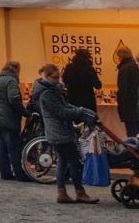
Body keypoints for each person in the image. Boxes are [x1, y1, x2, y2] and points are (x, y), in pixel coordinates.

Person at [38, 63, 98, 204]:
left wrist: (81, 109)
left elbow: (66, 106)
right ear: (46, 77)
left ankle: (62, 192)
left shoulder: (53, 91)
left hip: (58, 133)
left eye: (59, 77)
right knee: (73, 161)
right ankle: (79, 192)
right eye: (55, 77)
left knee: (63, 162)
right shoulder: (47, 94)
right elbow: (62, 112)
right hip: (60, 133)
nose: (58, 80)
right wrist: (81, 111)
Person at [0, 60, 31, 180]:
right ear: (15, 70)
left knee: (2, 148)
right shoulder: (11, 81)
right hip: (8, 120)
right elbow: (14, 100)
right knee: (13, 147)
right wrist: (25, 113)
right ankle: (19, 173)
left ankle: (5, 173)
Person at [62, 48, 102, 113]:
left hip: (72, 100)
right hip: (87, 102)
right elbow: (98, 85)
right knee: (88, 121)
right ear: (88, 58)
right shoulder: (89, 69)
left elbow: (64, 81)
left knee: (74, 121)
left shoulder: (69, 68)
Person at [116, 48, 139, 137]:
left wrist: (119, 101)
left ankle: (132, 150)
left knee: (131, 133)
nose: (118, 58)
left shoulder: (124, 69)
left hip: (129, 107)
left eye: (118, 56)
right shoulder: (138, 66)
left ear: (121, 56)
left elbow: (123, 89)